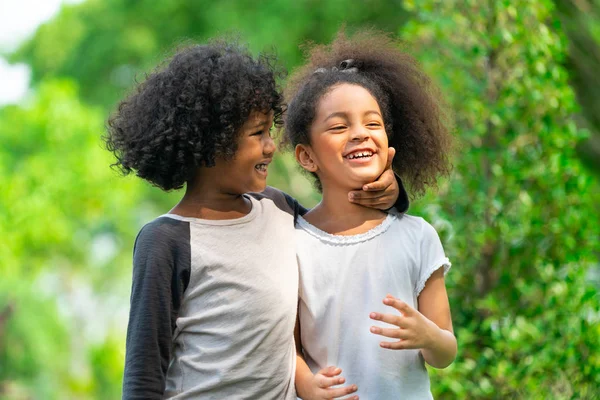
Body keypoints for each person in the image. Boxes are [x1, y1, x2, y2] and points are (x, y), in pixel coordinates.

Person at [104, 38, 407, 399]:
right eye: (257, 133)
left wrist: (392, 191)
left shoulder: (276, 207)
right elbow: (144, 374)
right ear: (211, 144)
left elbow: (341, 231)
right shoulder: (165, 241)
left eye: (269, 130)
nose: (270, 146)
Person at [283, 29, 456, 399]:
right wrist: (306, 384)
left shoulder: (418, 236)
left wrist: (427, 336)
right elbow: (287, 344)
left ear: (389, 145)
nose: (360, 133)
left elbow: (446, 351)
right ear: (306, 156)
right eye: (339, 126)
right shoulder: (290, 243)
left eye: (372, 123)